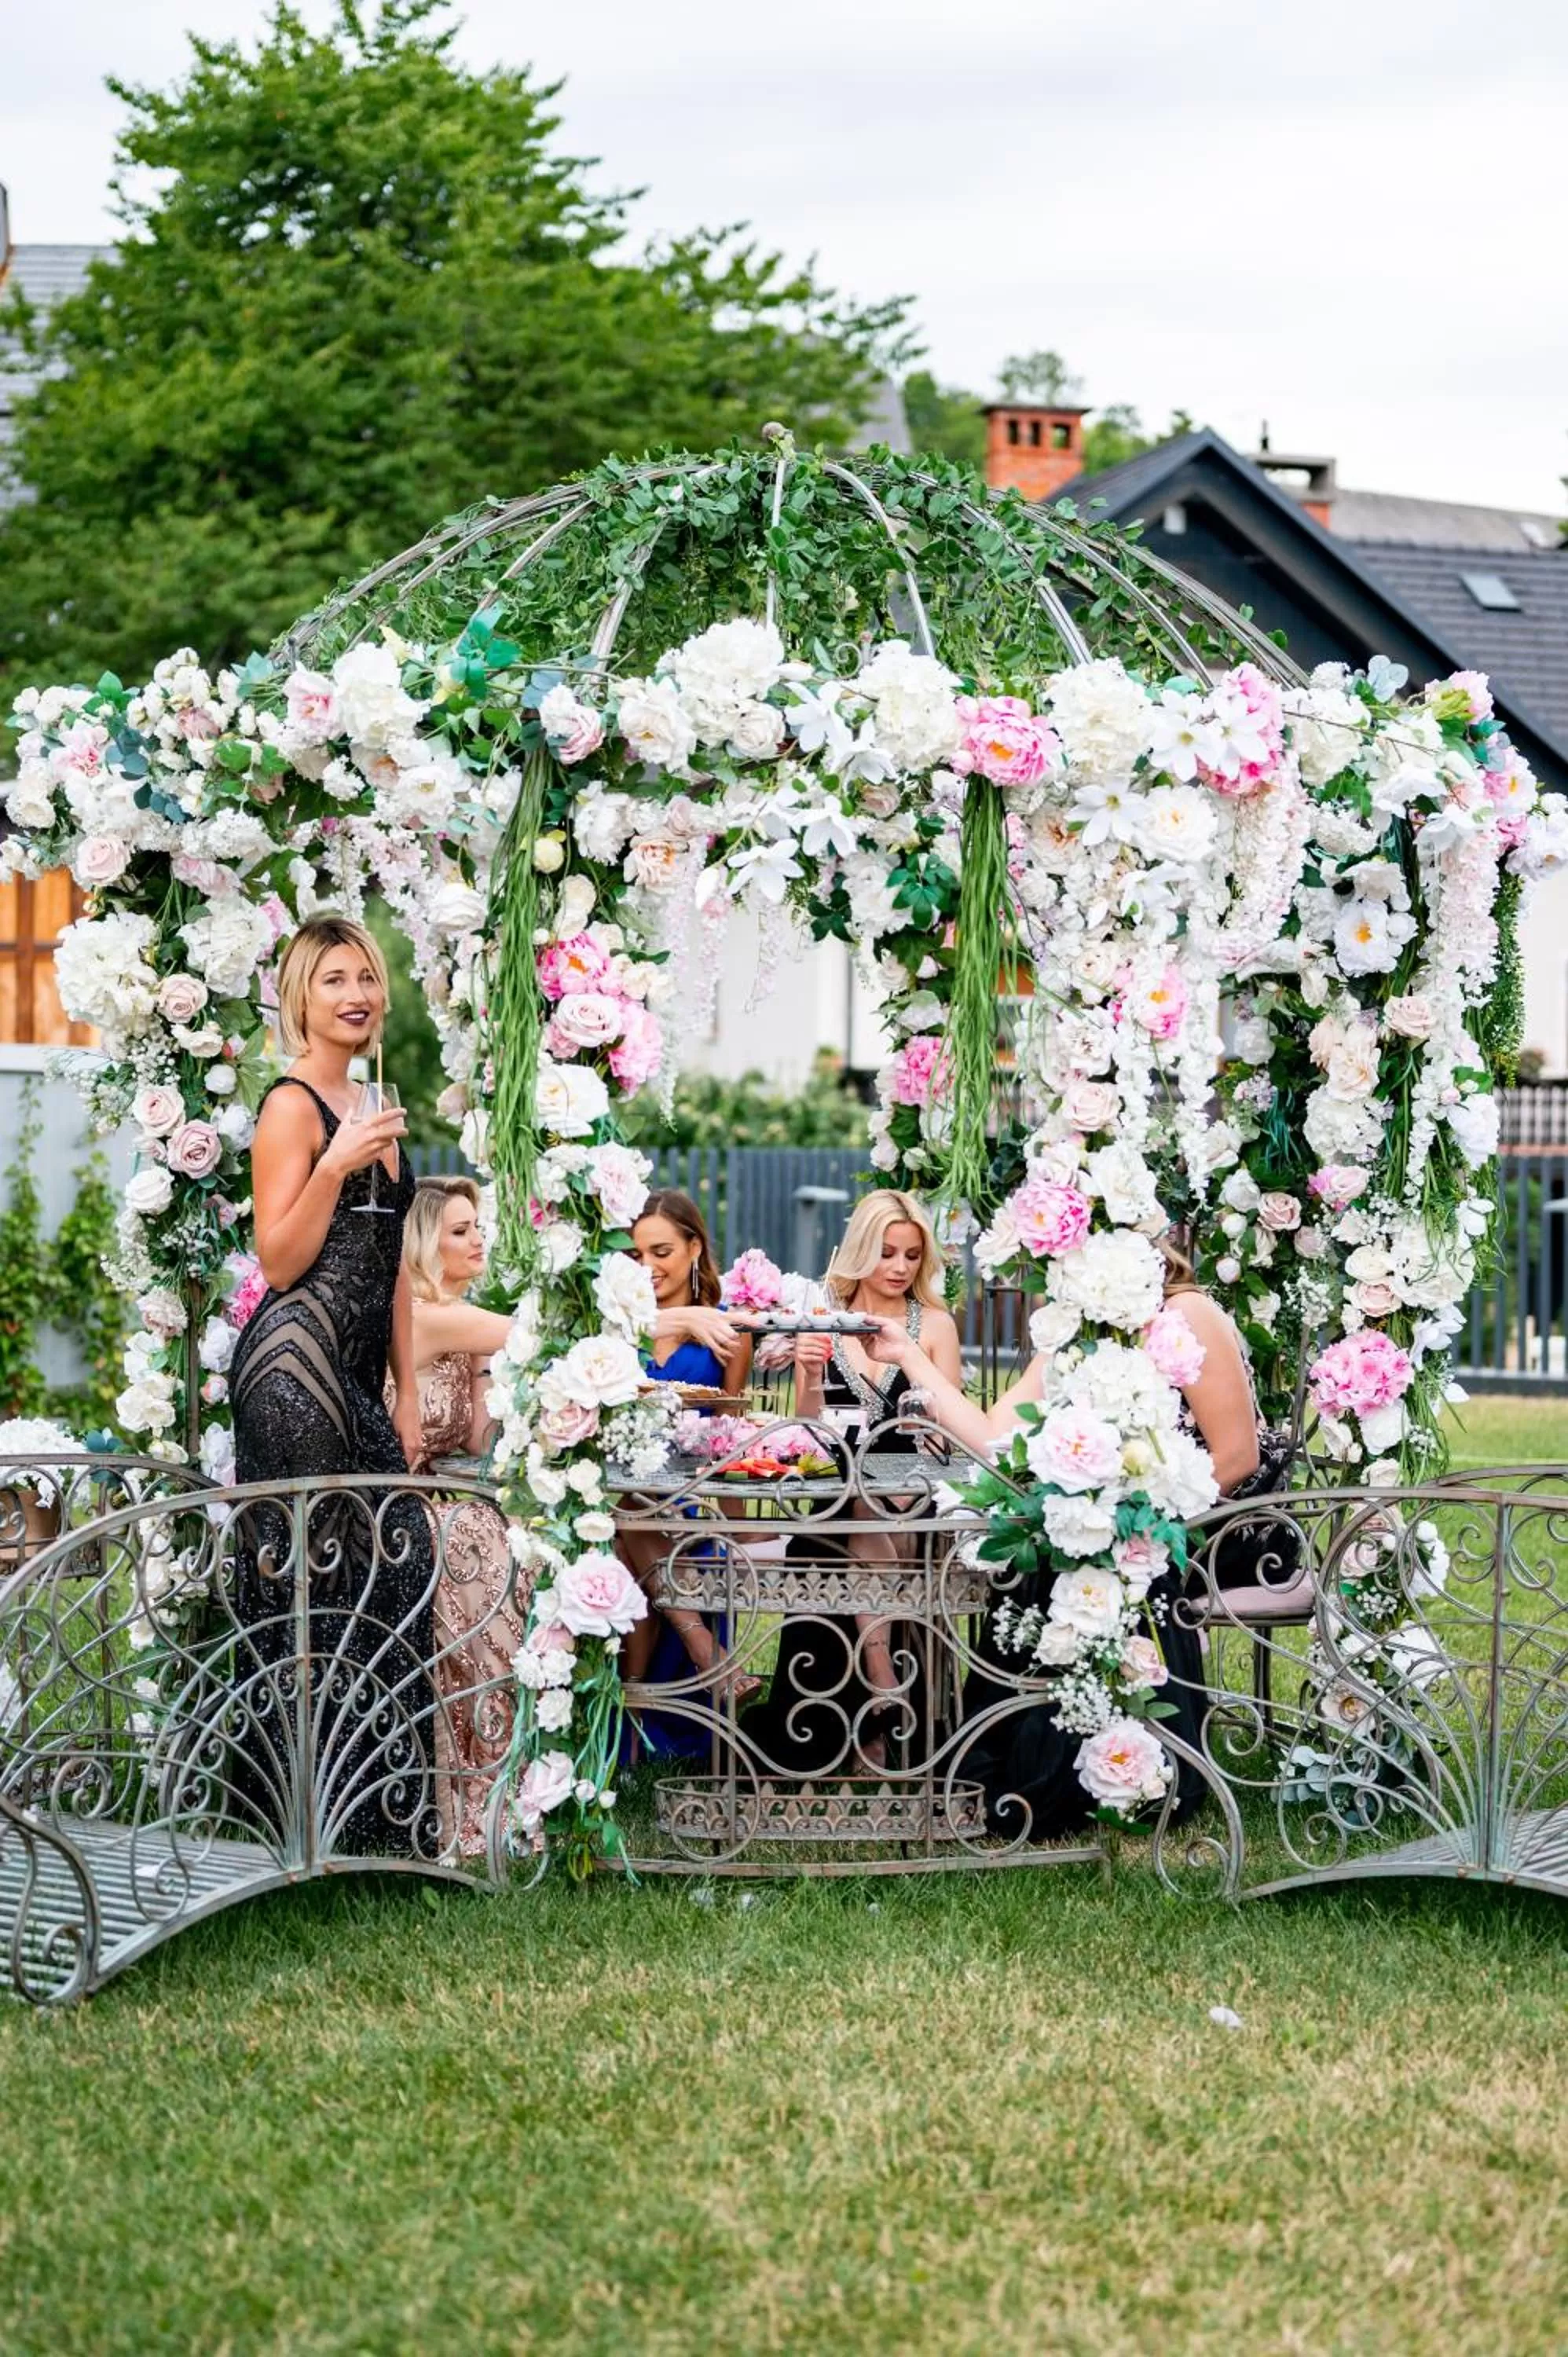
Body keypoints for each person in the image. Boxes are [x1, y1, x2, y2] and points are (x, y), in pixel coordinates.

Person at [859, 1233, 1260, 1838]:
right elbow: (993, 1432)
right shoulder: (1075, 1333)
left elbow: (1237, 1457)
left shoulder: (1188, 1314)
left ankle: (1124, 1764)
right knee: (1044, 1563)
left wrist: (1143, 1534)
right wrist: (908, 1356)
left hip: (1184, 1529)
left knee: (1079, 1565)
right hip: (1092, 1529)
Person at [229, 913, 436, 1857]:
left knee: (396, 1568)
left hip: (354, 1376)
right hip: (291, 1365)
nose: (354, 994)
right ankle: (289, 1822)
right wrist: (335, 1163)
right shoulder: (291, 1107)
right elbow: (278, 1260)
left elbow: (391, 1265)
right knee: (313, 1588)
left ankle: (373, 1823)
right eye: (333, 980)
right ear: (300, 999)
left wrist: (404, 1388)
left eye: (364, 977)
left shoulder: (378, 1105)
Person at [753, 1191, 963, 1775]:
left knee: (877, 1512)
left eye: (912, 1256)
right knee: (856, 1510)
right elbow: (808, 1431)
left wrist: (925, 1433)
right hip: (833, 1496)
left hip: (913, 1490)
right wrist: (812, 1373)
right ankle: (882, 1683)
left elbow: (952, 1433)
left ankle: (877, 1696)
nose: (899, 1268)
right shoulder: (824, 1314)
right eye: (887, 1253)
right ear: (860, 1251)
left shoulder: (936, 1326)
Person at [401, 1175, 525, 1857]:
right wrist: (675, 1320)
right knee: (473, 1533)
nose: (477, 1239)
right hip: (388, 1501)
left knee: (491, 1529)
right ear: (424, 1244)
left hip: (439, 1497)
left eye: (477, 1226)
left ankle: (505, 1763)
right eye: (459, 1230)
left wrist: (482, 1365)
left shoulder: (461, 1319)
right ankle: (479, 1774)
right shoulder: (422, 1315)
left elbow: (478, 1441)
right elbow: (540, 1333)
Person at [618, 1190, 758, 1721]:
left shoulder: (727, 1331)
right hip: (621, 1494)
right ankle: (702, 1652)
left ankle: (630, 1721)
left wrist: (738, 1528)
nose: (648, 1267)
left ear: (694, 1247)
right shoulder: (615, 1325)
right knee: (622, 1507)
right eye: (635, 1256)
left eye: (661, 1252)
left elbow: (731, 1431)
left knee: (629, 1516)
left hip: (692, 1501)